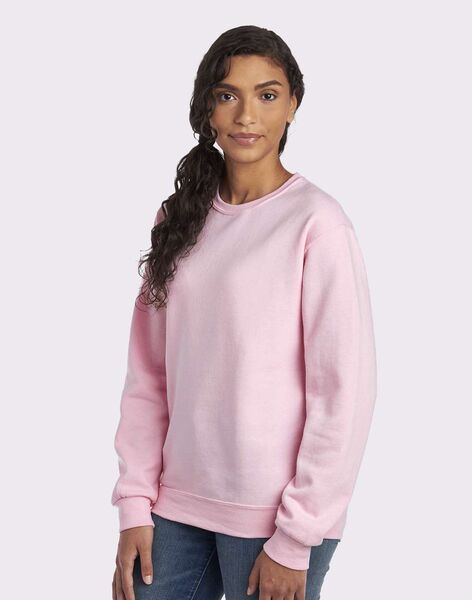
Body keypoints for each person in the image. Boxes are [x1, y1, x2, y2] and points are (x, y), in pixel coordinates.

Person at [111, 25, 377, 600]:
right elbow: (149, 376)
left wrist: (297, 535)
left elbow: (343, 393)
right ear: (207, 107)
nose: (246, 115)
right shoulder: (177, 218)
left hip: (275, 517)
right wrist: (135, 501)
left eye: (267, 94)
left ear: (293, 106)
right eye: (228, 94)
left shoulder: (317, 224)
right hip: (175, 505)